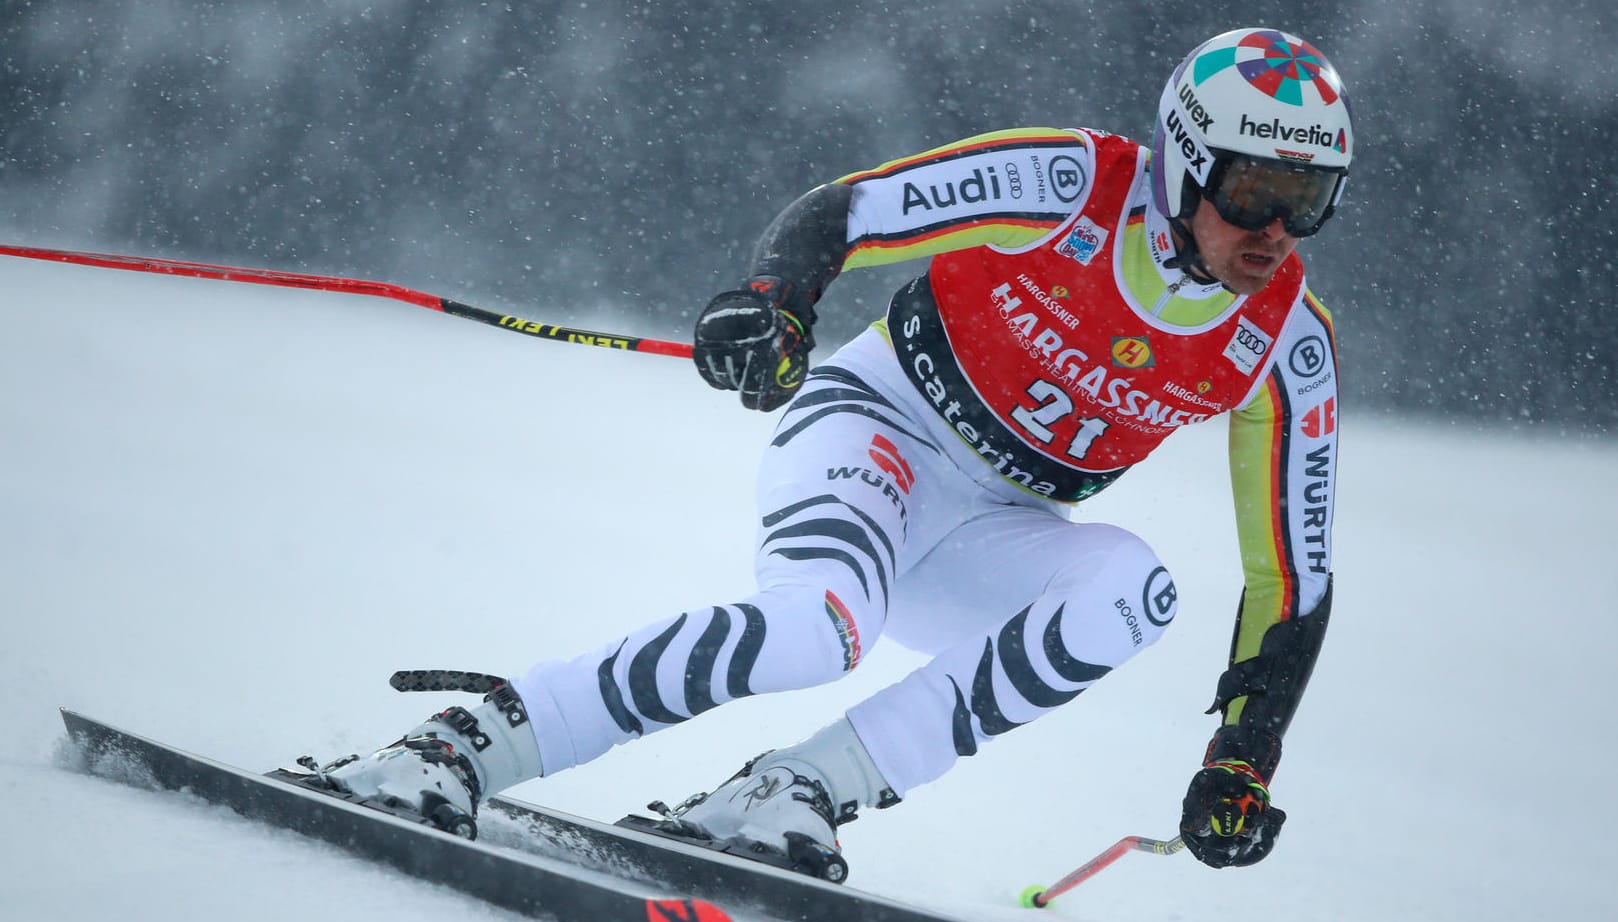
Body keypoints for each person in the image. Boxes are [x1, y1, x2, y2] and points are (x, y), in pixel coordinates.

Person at [316, 27, 1350, 875]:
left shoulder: (1288, 344)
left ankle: (798, 787)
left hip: (994, 529)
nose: (1273, 230)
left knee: (1135, 589)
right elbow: (849, 210)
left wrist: (1242, 752)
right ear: (1183, 160)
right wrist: (775, 302)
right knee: (817, 631)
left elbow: (1291, 576)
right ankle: (463, 745)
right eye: (1253, 188)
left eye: (1307, 200)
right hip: (878, 431)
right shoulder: (1071, 182)